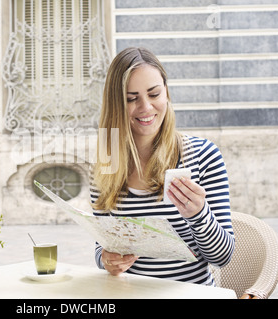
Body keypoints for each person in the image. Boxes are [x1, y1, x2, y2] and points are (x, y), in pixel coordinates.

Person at [90, 47, 235, 286]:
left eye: (154, 94)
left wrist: (199, 215)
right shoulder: (108, 162)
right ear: (116, 104)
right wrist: (107, 259)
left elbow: (222, 258)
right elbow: (101, 248)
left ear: (166, 92)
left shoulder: (202, 156)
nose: (146, 107)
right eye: (131, 98)